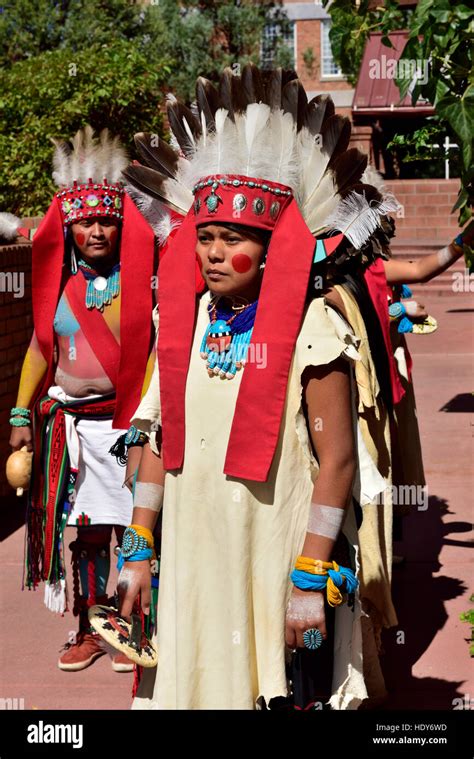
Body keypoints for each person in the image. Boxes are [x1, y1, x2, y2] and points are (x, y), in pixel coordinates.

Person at [114, 65, 404, 709]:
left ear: (272, 249)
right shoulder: (183, 322)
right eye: (207, 237)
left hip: (276, 546)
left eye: (234, 238)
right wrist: (137, 547)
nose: (214, 253)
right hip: (195, 546)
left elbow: (335, 460)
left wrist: (309, 577)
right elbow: (162, 439)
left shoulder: (314, 328)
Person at [8, 127, 156, 672]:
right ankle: (91, 628)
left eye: (106, 220)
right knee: (89, 532)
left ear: (121, 225)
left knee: (138, 528)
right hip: (75, 430)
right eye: (86, 222)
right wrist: (21, 412)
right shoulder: (59, 291)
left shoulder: (144, 283)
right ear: (69, 228)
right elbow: (39, 350)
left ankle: (136, 626)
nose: (97, 230)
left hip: (130, 428)